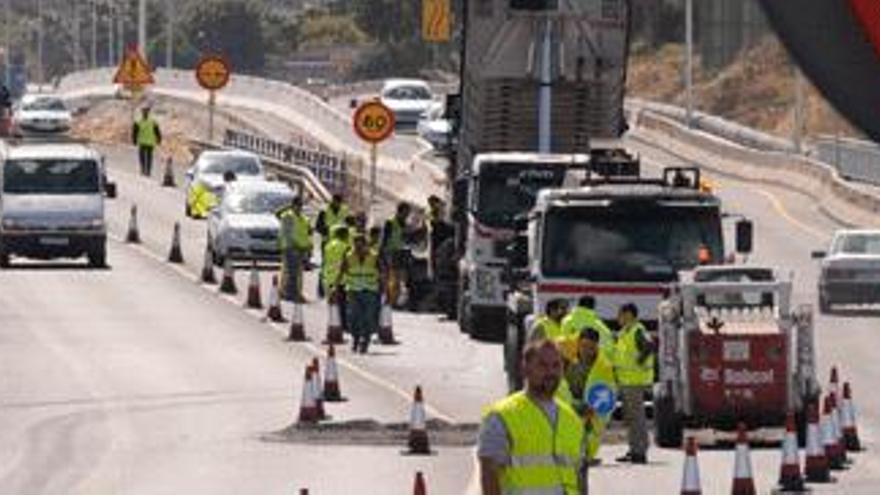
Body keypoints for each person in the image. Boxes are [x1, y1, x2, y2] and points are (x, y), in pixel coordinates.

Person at [478, 339, 588, 495]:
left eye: (556, 365)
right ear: (525, 369)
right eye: (542, 365)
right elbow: (489, 473)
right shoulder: (501, 416)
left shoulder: (572, 419)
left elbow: (580, 476)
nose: (550, 372)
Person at [561, 328, 617, 464]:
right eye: (583, 346)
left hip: (590, 411)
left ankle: (585, 454)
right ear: (578, 344)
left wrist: (593, 409)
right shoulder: (568, 363)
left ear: (596, 346)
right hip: (570, 406)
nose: (586, 351)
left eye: (591, 347)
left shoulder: (603, 368)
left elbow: (608, 394)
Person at [613, 303, 655, 465]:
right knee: (631, 418)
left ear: (629, 314)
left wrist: (639, 361)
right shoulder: (625, 332)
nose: (618, 318)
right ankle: (633, 449)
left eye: (620, 314)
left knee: (637, 418)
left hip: (634, 381)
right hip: (626, 381)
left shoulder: (638, 330)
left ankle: (640, 451)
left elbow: (649, 345)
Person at [336, 234, 384, 354]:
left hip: (370, 290)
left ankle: (365, 341)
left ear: (365, 245)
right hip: (353, 290)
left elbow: (383, 273)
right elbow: (341, 272)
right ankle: (356, 338)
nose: (358, 248)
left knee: (368, 317)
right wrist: (334, 287)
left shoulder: (374, 256)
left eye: (360, 245)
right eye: (355, 245)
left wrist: (385, 288)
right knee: (354, 317)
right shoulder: (348, 256)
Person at [277, 196, 313, 303]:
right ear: (293, 206)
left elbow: (306, 233)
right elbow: (277, 214)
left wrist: (308, 246)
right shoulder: (287, 216)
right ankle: (292, 294)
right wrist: (288, 206)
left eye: (300, 206)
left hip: (301, 248)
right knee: (292, 272)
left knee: (297, 273)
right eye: (297, 205)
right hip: (290, 247)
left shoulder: (303, 218)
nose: (299, 208)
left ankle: (287, 292)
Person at [561, 296, 615, 360]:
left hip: (569, 361)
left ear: (579, 304)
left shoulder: (566, 321)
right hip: (592, 364)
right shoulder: (600, 326)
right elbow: (609, 349)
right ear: (593, 307)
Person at [381, 201, 412, 307]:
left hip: (403, 253)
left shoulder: (406, 225)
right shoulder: (390, 223)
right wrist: (382, 254)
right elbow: (384, 240)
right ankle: (391, 300)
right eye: (406, 212)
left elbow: (408, 240)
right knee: (393, 278)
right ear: (400, 211)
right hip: (392, 253)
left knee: (402, 279)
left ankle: (398, 300)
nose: (407, 215)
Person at [323, 225, 351, 332]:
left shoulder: (328, 245)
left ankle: (332, 322)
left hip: (329, 276)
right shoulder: (346, 246)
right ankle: (343, 325)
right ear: (344, 235)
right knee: (343, 303)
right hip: (341, 278)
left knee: (332, 302)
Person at [132, 106, 162, 177]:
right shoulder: (138, 121)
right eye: (144, 111)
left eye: (146, 111)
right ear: (142, 112)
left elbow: (157, 130)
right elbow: (135, 132)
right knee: (142, 156)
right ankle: (143, 169)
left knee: (149, 157)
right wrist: (134, 139)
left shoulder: (152, 121)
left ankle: (148, 171)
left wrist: (159, 138)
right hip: (142, 141)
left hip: (150, 142)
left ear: (148, 112)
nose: (145, 113)